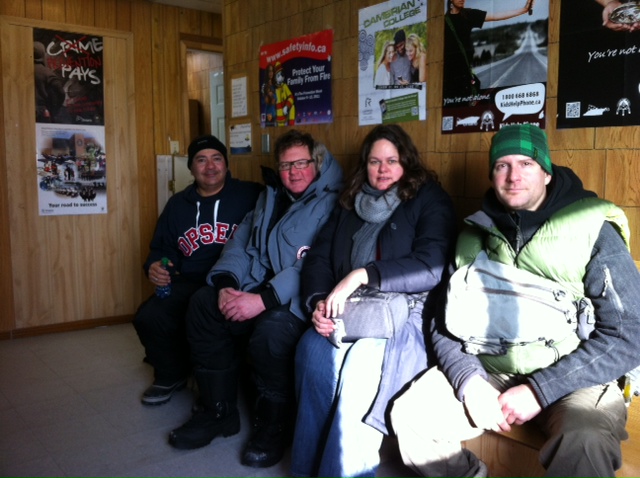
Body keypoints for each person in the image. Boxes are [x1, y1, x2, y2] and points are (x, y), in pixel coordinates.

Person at [390, 124, 640, 478]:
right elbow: (441, 318)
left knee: (584, 441)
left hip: (575, 376)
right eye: (502, 165)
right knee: (412, 414)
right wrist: (469, 380)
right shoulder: (472, 233)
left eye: (526, 163)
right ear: (492, 175)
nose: (513, 176)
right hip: (492, 370)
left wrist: (540, 390)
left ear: (547, 172)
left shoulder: (593, 226)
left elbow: (629, 332)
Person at [168, 129, 343, 469]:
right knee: (204, 305)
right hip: (256, 288)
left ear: (317, 163)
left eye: (301, 163)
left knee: (271, 333)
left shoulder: (334, 202)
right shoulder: (270, 196)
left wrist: (262, 300)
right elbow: (242, 241)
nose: (293, 172)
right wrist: (226, 283)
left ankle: (272, 428)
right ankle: (218, 412)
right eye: (285, 165)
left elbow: (314, 263)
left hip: (299, 300)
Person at [290, 124, 457, 478]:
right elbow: (318, 257)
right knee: (311, 352)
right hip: (348, 309)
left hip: (404, 318)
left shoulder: (429, 199)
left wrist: (363, 274)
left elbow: (433, 265)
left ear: (407, 163)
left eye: (392, 161)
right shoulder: (350, 201)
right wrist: (319, 302)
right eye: (374, 161)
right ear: (364, 165)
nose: (382, 169)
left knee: (359, 372)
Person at [133, 135, 262, 406]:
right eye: (201, 160)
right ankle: (171, 374)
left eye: (217, 159)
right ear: (191, 168)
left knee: (202, 311)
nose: (210, 166)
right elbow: (161, 249)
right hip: (190, 280)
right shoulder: (177, 205)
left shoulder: (251, 195)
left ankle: (215, 385)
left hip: (237, 282)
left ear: (227, 165)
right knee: (149, 315)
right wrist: (154, 266)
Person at [443, 0, 534, 98]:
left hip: (464, 75)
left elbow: (496, 16)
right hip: (446, 76)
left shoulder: (468, 15)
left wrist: (523, 10)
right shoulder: (441, 21)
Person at [34, 41, 65, 123]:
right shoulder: (47, 73)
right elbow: (60, 93)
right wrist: (53, 109)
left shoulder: (21, 73)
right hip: (43, 114)